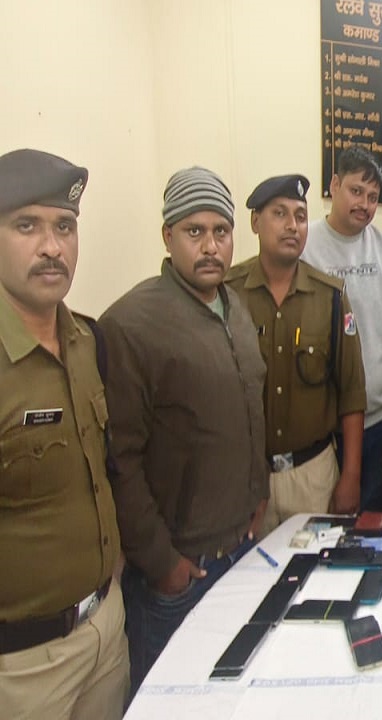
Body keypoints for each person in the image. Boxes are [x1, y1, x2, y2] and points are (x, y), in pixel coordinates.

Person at [99, 167, 268, 695]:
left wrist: (258, 495)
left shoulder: (235, 308)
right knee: (172, 701)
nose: (211, 246)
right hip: (179, 574)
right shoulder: (130, 324)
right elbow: (120, 460)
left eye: (221, 231)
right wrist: (161, 564)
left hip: (239, 550)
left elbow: (251, 411)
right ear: (167, 235)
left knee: (230, 695)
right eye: (195, 231)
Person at [0, 149, 128, 719]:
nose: (52, 247)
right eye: (27, 226)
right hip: (24, 668)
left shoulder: (88, 342)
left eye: (65, 227)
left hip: (105, 630)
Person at [225, 174, 367, 533]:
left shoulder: (330, 297)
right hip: (247, 477)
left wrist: (351, 475)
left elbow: (352, 392)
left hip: (313, 475)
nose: (292, 226)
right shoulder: (228, 295)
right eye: (280, 214)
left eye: (301, 216)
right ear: (255, 222)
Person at [301, 146, 382, 512]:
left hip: (376, 423)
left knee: (368, 530)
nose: (364, 204)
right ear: (334, 185)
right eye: (356, 191)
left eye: (373, 197)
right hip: (317, 429)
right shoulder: (303, 246)